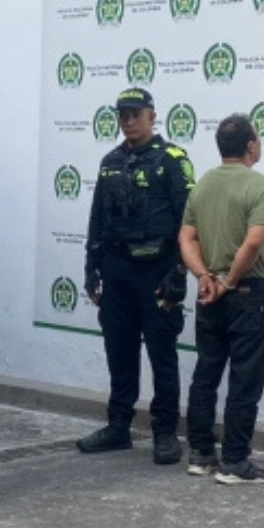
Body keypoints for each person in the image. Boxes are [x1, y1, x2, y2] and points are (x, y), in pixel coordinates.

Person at [80, 87, 196, 465]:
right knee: (119, 351)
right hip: (117, 271)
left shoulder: (173, 159)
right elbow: (98, 218)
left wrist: (180, 271)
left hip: (157, 272)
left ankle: (165, 432)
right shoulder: (109, 161)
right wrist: (91, 268)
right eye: (123, 115)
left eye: (136, 114)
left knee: (162, 353)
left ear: (152, 115)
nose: (129, 121)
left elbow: (188, 221)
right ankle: (118, 426)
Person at [178, 113, 264, 484]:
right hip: (246, 293)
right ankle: (235, 461)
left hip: (208, 295)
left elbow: (186, 238)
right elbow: (254, 241)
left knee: (206, 373)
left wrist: (205, 277)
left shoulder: (202, 185)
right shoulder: (260, 186)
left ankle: (201, 453)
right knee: (244, 379)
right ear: (251, 145)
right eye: (259, 139)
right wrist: (229, 281)